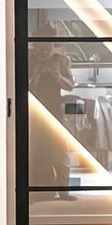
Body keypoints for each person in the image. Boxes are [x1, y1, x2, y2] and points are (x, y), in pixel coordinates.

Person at [29, 23, 75, 198]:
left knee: (60, 151)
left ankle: (64, 191)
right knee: (32, 150)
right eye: (39, 45)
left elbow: (70, 86)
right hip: (33, 113)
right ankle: (36, 190)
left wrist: (57, 76)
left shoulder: (62, 60)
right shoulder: (28, 58)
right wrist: (35, 77)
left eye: (47, 45)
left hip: (55, 111)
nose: (43, 50)